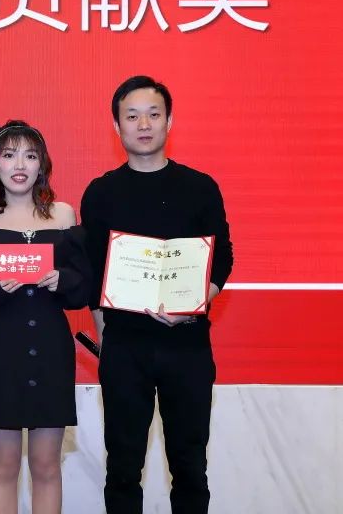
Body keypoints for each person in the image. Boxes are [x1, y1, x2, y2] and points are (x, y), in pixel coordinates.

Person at [80, 76, 234, 514]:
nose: (143, 124)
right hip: (125, 348)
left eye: (153, 114)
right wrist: (106, 341)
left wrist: (196, 303)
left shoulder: (200, 187)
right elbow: (93, 273)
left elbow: (222, 259)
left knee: (190, 467)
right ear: (117, 126)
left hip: (187, 345)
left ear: (170, 121)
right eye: (132, 116)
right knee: (122, 468)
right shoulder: (101, 193)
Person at [0, 120, 90, 514]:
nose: (20, 165)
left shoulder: (63, 215)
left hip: (51, 349)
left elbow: (83, 289)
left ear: (42, 164)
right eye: (9, 155)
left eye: (30, 156)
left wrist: (62, 280)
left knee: (46, 465)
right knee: (4, 465)